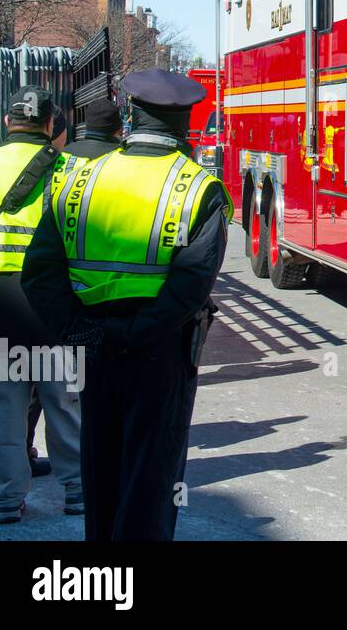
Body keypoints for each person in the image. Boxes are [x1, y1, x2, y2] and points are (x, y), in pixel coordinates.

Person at [22, 69, 233, 540]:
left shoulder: (78, 178)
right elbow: (190, 288)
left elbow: (39, 274)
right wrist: (132, 335)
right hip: (160, 354)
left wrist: (82, 332)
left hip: (93, 348)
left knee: (101, 470)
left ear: (132, 116)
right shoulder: (199, 188)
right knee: (152, 480)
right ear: (184, 125)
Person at [0, 88, 83, 525]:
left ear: (7, 123)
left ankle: (6, 500)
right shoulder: (69, 170)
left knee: (2, 404)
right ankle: (78, 491)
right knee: (64, 401)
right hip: (51, 302)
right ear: (49, 126)